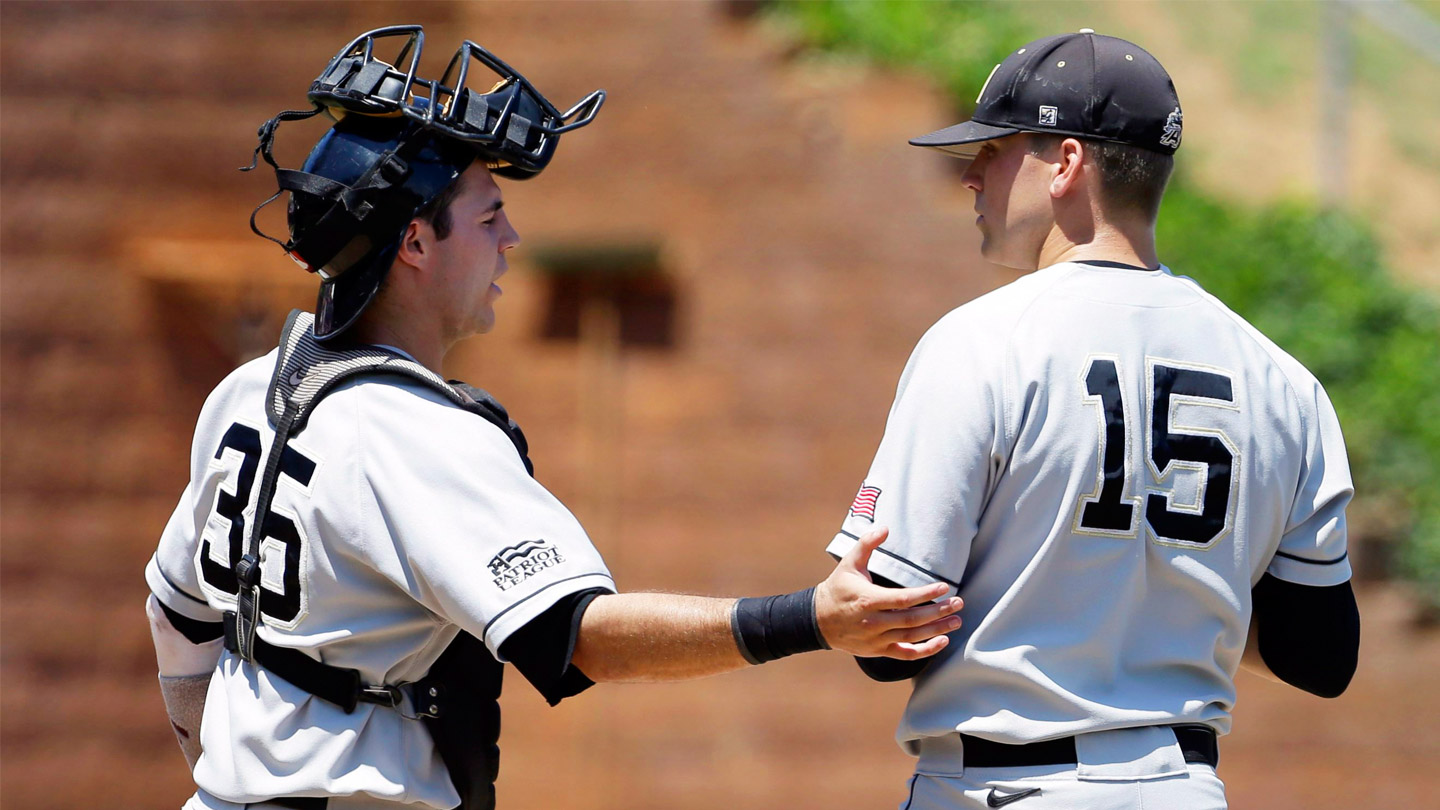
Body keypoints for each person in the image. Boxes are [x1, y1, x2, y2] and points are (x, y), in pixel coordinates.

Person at [144, 26, 963, 810]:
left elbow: (176, 611)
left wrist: (220, 770)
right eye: (490, 216)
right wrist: (811, 619)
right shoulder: (416, 434)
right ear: (415, 245)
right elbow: (580, 636)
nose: (512, 240)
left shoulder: (250, 390)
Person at [825, 30, 1361, 810]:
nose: (972, 176)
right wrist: (1162, 595)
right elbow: (1319, 655)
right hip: (1185, 789)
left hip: (1002, 786)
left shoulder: (981, 341)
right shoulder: (1283, 379)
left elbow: (889, 639)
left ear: (1068, 164)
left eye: (997, 150)